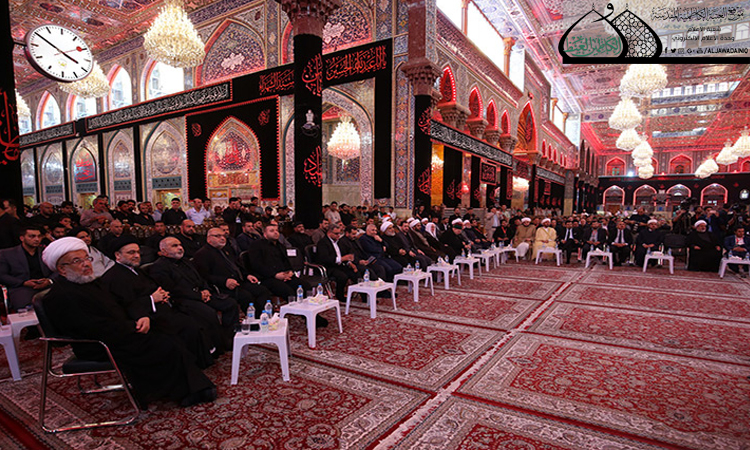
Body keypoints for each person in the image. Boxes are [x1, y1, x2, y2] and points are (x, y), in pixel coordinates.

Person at [40, 237, 217, 408]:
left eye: (87, 258)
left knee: (167, 330)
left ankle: (183, 387)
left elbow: (122, 303)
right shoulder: (62, 295)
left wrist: (141, 316)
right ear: (62, 269)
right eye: (77, 261)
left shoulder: (89, 282)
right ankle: (184, 391)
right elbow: (91, 327)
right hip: (99, 344)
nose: (86, 264)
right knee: (163, 344)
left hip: (118, 332)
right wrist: (132, 326)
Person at [101, 235, 217, 368]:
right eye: (131, 253)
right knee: (185, 327)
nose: (136, 256)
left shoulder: (136, 271)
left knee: (191, 323)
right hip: (145, 319)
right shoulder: (114, 277)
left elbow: (152, 287)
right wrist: (152, 299)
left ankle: (197, 362)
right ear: (118, 255)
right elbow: (126, 305)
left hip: (159, 310)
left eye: (138, 252)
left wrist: (162, 293)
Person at [148, 237, 238, 348]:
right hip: (183, 300)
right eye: (174, 246)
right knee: (209, 313)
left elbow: (201, 278)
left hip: (200, 294)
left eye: (180, 245)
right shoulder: (159, 267)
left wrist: (205, 289)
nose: (180, 248)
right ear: (164, 251)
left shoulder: (185, 261)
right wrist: (199, 296)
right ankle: (218, 344)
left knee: (230, 304)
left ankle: (230, 337)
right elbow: (173, 289)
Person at [192, 231, 272, 319]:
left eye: (223, 236)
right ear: (209, 239)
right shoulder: (202, 254)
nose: (222, 238)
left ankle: (263, 317)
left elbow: (237, 266)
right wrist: (224, 281)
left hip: (238, 281)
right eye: (217, 236)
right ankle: (253, 320)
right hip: (221, 287)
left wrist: (247, 275)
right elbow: (203, 276)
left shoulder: (226, 250)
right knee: (246, 296)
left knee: (262, 290)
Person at [245, 224, 312, 300]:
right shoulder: (257, 245)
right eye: (272, 231)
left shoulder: (280, 246)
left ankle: (306, 306)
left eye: (277, 230)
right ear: (265, 234)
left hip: (283, 276)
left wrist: (290, 272)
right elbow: (257, 265)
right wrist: (275, 275)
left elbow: (286, 262)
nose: (275, 232)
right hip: (268, 277)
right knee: (288, 292)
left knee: (306, 286)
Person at [0, 225, 53, 311]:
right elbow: (2, 275)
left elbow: (58, 269)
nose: (37, 239)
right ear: (22, 238)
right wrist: (24, 283)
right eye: (32, 236)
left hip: (46, 285)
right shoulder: (7, 254)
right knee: (25, 304)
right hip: (21, 287)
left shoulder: (46, 252)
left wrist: (49, 280)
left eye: (39, 236)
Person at [316, 223, 364, 301]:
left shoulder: (338, 242)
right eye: (336, 233)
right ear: (329, 232)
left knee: (355, 273)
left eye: (339, 233)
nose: (338, 235)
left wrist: (349, 262)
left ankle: (364, 296)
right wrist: (341, 259)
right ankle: (340, 295)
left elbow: (343, 256)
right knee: (342, 276)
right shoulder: (323, 243)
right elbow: (325, 259)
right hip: (329, 266)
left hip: (339, 265)